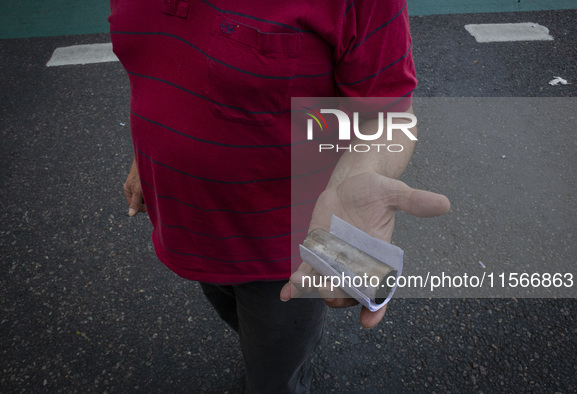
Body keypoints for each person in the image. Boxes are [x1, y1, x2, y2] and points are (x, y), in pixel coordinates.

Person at [110, 0, 450, 392]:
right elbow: (157, 59)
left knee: (275, 378)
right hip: (185, 228)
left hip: (283, 256)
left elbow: (387, 113)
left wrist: (358, 178)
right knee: (245, 327)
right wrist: (145, 153)